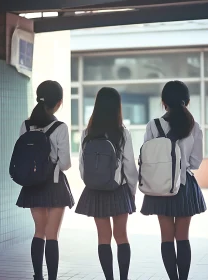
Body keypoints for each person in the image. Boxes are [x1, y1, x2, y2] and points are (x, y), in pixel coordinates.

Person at [140, 81, 206, 280]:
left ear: (164, 102)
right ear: (186, 101)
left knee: (166, 237)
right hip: (184, 185)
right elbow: (195, 162)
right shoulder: (194, 126)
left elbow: (148, 158)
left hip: (160, 187)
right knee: (183, 237)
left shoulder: (153, 125)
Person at [75, 87, 138, 280]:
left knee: (103, 238)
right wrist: (132, 191)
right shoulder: (122, 133)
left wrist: (92, 181)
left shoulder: (88, 133)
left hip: (95, 190)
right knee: (121, 236)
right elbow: (130, 166)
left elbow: (81, 165)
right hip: (118, 190)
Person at [16, 81, 75, 280]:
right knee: (52, 234)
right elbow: (65, 162)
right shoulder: (60, 127)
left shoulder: (26, 125)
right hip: (55, 185)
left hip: (32, 185)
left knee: (39, 231)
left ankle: (38, 276)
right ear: (59, 102)